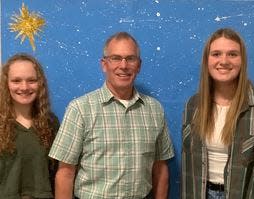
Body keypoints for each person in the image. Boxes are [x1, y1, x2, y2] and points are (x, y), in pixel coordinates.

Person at [49, 31, 174, 199]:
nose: (123, 65)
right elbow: (65, 174)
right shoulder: (80, 109)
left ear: (139, 65)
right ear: (104, 64)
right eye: (115, 58)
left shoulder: (154, 109)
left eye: (130, 58)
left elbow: (160, 169)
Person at [181, 28, 254, 199]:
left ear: (242, 60)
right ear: (207, 60)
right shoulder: (192, 106)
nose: (223, 61)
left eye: (232, 54)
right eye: (216, 54)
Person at [0, 53, 59, 199]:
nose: (24, 87)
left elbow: (59, 174)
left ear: (40, 84)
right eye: (16, 81)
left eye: (31, 80)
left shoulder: (51, 123)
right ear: (6, 83)